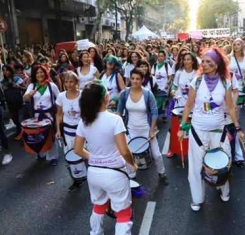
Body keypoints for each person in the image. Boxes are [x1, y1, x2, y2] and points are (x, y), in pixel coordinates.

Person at [177, 47, 245, 211]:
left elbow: (230, 108)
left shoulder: (225, 82)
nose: (204, 64)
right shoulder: (197, 81)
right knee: (196, 166)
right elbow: (188, 105)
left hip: (219, 132)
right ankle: (197, 199)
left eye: (209, 62)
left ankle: (224, 190)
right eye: (204, 61)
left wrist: (238, 128)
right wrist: (181, 127)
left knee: (223, 163)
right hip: (198, 131)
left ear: (217, 65)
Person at [74, 81, 137, 235]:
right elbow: (124, 150)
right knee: (122, 212)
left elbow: (77, 149)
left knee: (98, 206)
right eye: (106, 92)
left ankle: (95, 232)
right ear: (104, 98)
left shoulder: (84, 121)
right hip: (115, 173)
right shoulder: (114, 119)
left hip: (93, 173)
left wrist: (95, 159)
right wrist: (132, 164)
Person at [117, 68, 169, 185]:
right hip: (130, 130)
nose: (135, 81)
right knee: (128, 154)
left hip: (146, 129)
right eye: (133, 78)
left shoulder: (147, 94)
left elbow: (155, 112)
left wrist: (152, 130)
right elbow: (119, 112)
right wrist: (120, 130)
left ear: (142, 80)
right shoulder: (125, 93)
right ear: (130, 78)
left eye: (138, 79)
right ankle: (131, 176)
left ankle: (162, 173)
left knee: (156, 154)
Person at [23, 64, 60, 165]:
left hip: (50, 115)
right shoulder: (32, 86)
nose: (40, 74)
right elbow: (25, 98)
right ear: (34, 75)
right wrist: (30, 94)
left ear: (45, 73)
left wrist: (60, 113)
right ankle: (42, 153)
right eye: (37, 72)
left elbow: (60, 98)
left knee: (51, 135)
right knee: (39, 135)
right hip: (37, 116)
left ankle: (53, 157)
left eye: (41, 72)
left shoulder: (51, 85)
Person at [55, 71, 85, 191]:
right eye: (66, 82)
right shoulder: (61, 96)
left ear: (76, 82)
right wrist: (58, 130)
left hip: (82, 131)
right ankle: (76, 179)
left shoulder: (83, 95)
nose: (69, 84)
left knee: (86, 154)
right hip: (68, 131)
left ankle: (90, 176)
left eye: (71, 81)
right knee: (71, 156)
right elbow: (58, 114)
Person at [1, 64, 26, 140]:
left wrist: (18, 87)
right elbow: (2, 93)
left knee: (20, 119)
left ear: (10, 70)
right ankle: (19, 131)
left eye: (7, 70)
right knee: (15, 119)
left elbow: (25, 88)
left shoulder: (17, 79)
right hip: (10, 103)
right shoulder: (2, 82)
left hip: (19, 102)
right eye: (4, 70)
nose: (5, 72)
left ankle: (23, 135)